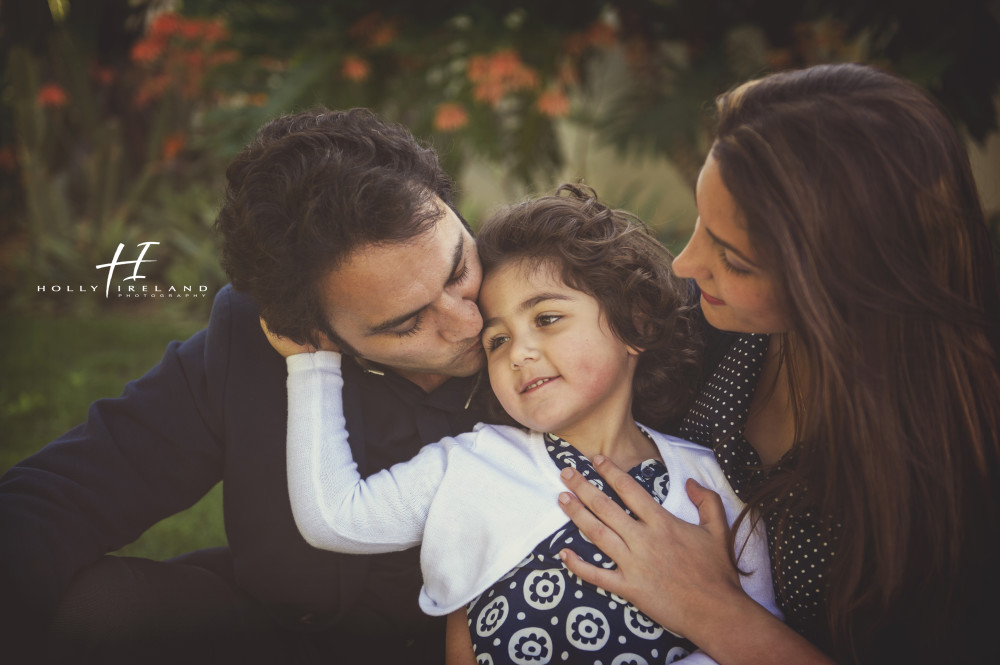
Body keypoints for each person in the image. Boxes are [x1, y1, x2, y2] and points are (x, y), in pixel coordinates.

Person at [0, 108, 486, 664]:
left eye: (458, 271)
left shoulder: (557, 313)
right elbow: (62, 498)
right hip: (289, 638)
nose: (468, 322)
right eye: (406, 322)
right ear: (308, 332)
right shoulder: (252, 342)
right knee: (105, 610)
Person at [554, 63, 1000, 665]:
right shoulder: (712, 328)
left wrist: (711, 608)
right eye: (700, 222)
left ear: (853, 281)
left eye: (734, 259)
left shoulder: (965, 469)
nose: (685, 264)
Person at [266, 185, 782, 665]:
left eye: (547, 318)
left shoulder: (708, 483)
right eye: (497, 340)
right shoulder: (470, 465)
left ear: (635, 323)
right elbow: (335, 518)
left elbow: (756, 632)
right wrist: (311, 363)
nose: (520, 353)